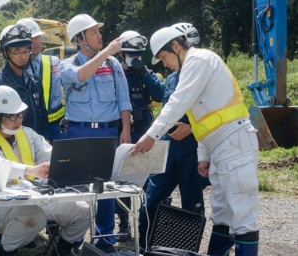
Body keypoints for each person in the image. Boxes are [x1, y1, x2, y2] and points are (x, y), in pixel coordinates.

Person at [132, 25, 260, 256]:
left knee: (242, 214)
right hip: (221, 144)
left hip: (233, 141)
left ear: (176, 46)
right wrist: (204, 156)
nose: (165, 63)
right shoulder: (194, 66)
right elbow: (202, 118)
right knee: (221, 213)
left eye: (164, 57)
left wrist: (150, 136)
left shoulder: (199, 60)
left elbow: (179, 102)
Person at [0, 85, 89, 256]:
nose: (18, 120)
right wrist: (30, 170)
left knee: (83, 210)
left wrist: (64, 162)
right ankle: (4, 250)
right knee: (34, 215)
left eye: (20, 114)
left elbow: (50, 154)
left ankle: (61, 248)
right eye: (11, 116)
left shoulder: (27, 133)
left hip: (36, 197)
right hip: (2, 205)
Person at [58, 14, 132, 253]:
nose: (100, 35)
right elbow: (81, 75)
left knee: (106, 190)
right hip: (77, 132)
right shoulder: (67, 65)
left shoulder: (113, 65)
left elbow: (124, 100)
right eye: (93, 32)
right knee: (74, 189)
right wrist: (108, 51)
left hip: (107, 133)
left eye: (99, 32)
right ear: (80, 39)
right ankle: (72, 240)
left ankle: (105, 240)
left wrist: (126, 132)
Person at [114, 31, 164, 241]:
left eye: (139, 55)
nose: (135, 59)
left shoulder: (146, 73)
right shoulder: (114, 73)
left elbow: (161, 95)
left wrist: (144, 73)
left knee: (146, 178)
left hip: (144, 131)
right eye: (131, 55)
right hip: (121, 132)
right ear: (121, 54)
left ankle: (148, 223)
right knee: (119, 179)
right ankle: (124, 223)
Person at [0, 23, 48, 137]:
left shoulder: (35, 80)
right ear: (5, 53)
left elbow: (42, 116)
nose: (23, 56)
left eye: (26, 51)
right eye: (17, 51)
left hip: (34, 146)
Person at [17, 18, 65, 142]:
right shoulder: (16, 69)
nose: (36, 42)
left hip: (55, 125)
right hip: (29, 125)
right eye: (32, 39)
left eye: (38, 37)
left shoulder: (53, 62)